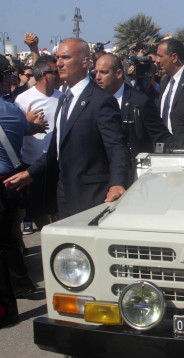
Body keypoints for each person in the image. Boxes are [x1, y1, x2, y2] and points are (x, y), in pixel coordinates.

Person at [5, 38, 131, 219]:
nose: (59, 64)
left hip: (92, 196)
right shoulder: (65, 99)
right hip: (65, 194)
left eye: (65, 58)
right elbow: (56, 150)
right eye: (58, 58)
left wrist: (118, 183)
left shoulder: (100, 101)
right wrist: (29, 173)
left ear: (85, 62)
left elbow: (117, 147)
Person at [0, 55, 37, 328]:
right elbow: (28, 127)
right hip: (10, 181)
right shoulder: (12, 111)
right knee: (7, 239)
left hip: (6, 181)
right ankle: (20, 285)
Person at [94, 53, 174, 177]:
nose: (98, 77)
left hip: (134, 174)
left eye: (104, 72)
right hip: (102, 173)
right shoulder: (94, 101)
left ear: (119, 73)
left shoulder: (140, 102)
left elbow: (162, 137)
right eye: (96, 72)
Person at [14, 55, 62, 230]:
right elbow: (17, 131)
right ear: (44, 75)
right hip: (32, 163)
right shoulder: (23, 99)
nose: (59, 75)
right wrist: (28, 124)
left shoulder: (63, 97)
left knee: (57, 208)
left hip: (56, 162)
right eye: (55, 72)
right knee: (39, 211)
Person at [156, 38, 184, 133]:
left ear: (174, 57)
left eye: (160, 56)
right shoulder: (167, 79)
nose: (157, 60)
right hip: (165, 142)